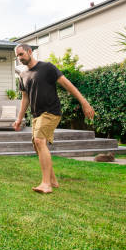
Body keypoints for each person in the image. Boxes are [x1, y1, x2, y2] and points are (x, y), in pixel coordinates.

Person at [12, 44, 94, 194]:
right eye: (17, 56)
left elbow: (67, 84)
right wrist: (19, 118)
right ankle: (53, 180)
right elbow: (25, 98)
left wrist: (84, 102)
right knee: (37, 145)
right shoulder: (23, 75)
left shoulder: (47, 68)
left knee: (39, 141)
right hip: (36, 115)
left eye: (21, 54)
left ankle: (46, 184)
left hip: (51, 111)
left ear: (30, 52)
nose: (20, 58)